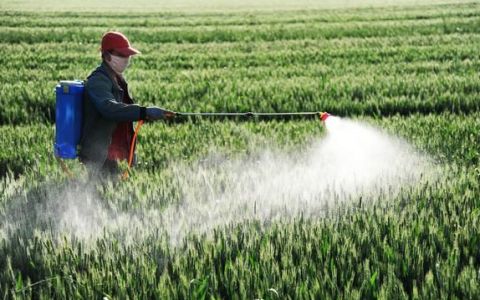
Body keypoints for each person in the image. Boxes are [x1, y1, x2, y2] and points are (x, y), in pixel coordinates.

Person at [79, 31, 175, 178]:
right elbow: (109, 109)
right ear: (107, 56)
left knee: (111, 193)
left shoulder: (117, 79)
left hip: (114, 153)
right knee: (99, 194)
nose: (127, 59)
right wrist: (145, 112)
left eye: (128, 55)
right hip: (98, 155)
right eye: (122, 55)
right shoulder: (98, 81)